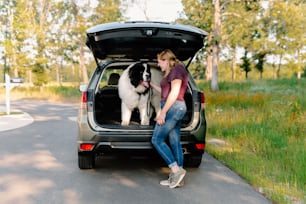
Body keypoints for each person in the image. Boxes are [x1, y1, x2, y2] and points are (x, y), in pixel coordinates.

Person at [150, 49, 188, 188]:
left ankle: (176, 170)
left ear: (166, 60)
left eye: (160, 62)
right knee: (174, 142)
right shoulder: (172, 72)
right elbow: (166, 92)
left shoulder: (177, 70)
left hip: (173, 108)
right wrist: (151, 85)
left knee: (157, 139)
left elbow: (174, 93)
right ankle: (178, 179)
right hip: (173, 106)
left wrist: (162, 112)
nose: (159, 65)